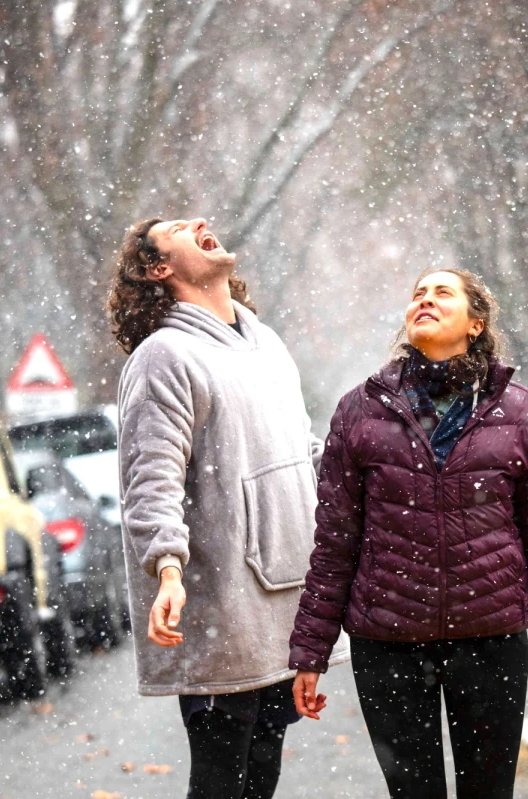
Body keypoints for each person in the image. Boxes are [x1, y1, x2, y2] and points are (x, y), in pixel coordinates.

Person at [288, 268, 528, 799]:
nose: (425, 300)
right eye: (418, 294)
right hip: (388, 643)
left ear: (475, 323)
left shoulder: (520, 411)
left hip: (490, 641)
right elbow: (334, 545)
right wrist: (311, 651)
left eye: (443, 293)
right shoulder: (359, 410)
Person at [109, 217, 348, 799]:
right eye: (177, 228)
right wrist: (166, 568)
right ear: (157, 268)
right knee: (221, 781)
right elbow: (151, 478)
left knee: (262, 776)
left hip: (284, 604)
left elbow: (304, 453)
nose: (200, 223)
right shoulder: (163, 356)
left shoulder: (266, 343)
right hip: (221, 611)